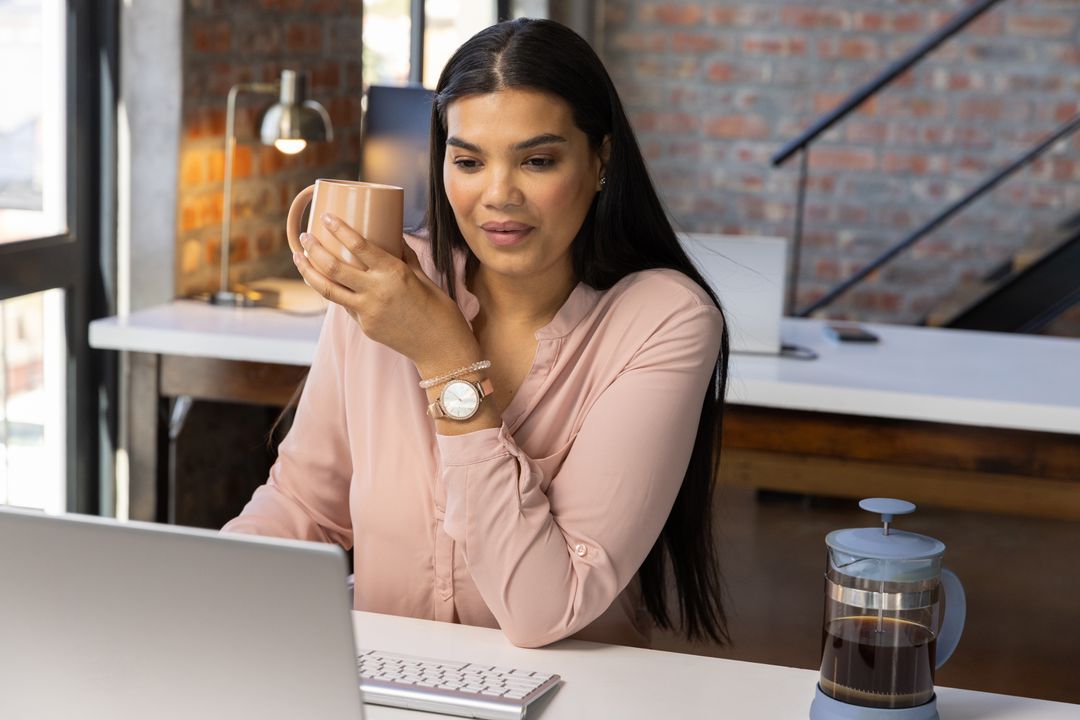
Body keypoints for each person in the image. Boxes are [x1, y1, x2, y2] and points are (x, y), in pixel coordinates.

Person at [224, 17, 730, 649]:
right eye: (468, 160)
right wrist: (208, 586)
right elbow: (306, 505)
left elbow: (545, 609)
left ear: (600, 162)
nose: (498, 195)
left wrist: (444, 356)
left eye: (537, 160)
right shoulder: (386, 283)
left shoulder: (665, 320)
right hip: (384, 686)